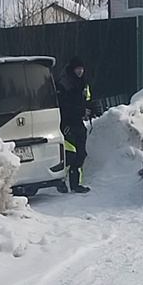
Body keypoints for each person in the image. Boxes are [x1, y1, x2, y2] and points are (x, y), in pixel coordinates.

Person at [57, 56, 91, 193]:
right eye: (77, 68)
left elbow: (87, 99)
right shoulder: (63, 84)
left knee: (81, 154)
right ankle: (60, 181)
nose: (80, 71)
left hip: (78, 123)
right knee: (69, 155)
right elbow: (63, 106)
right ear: (72, 69)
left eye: (81, 68)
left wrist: (91, 109)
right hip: (66, 124)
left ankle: (76, 184)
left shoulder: (83, 84)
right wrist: (80, 110)